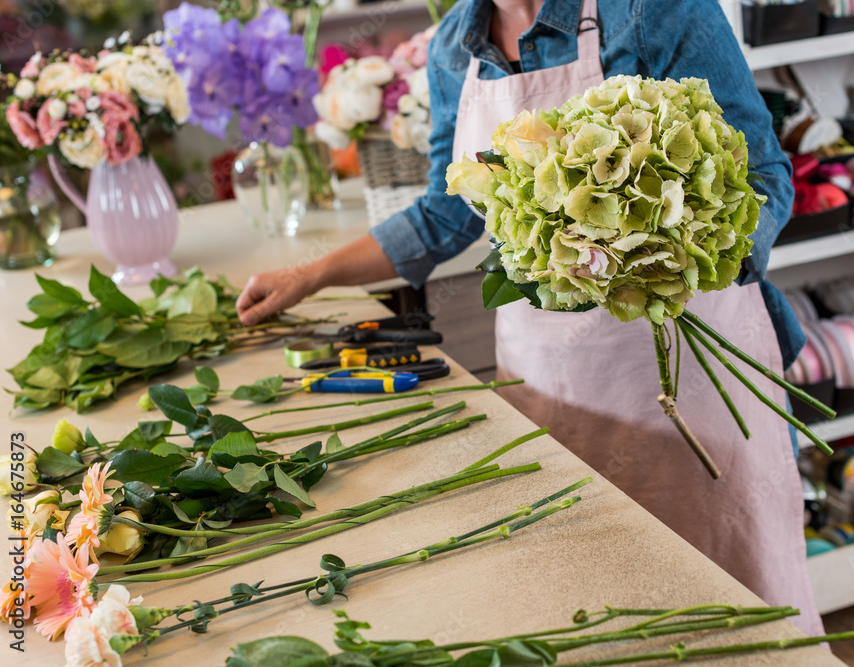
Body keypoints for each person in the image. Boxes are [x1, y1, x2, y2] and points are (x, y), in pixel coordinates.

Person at [237, 0, 823, 637]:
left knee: (732, 603)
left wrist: (666, 251)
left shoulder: (655, 11)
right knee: (589, 609)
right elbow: (445, 214)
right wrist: (308, 275)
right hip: (552, 392)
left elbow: (765, 180)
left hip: (693, 382)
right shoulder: (452, 49)